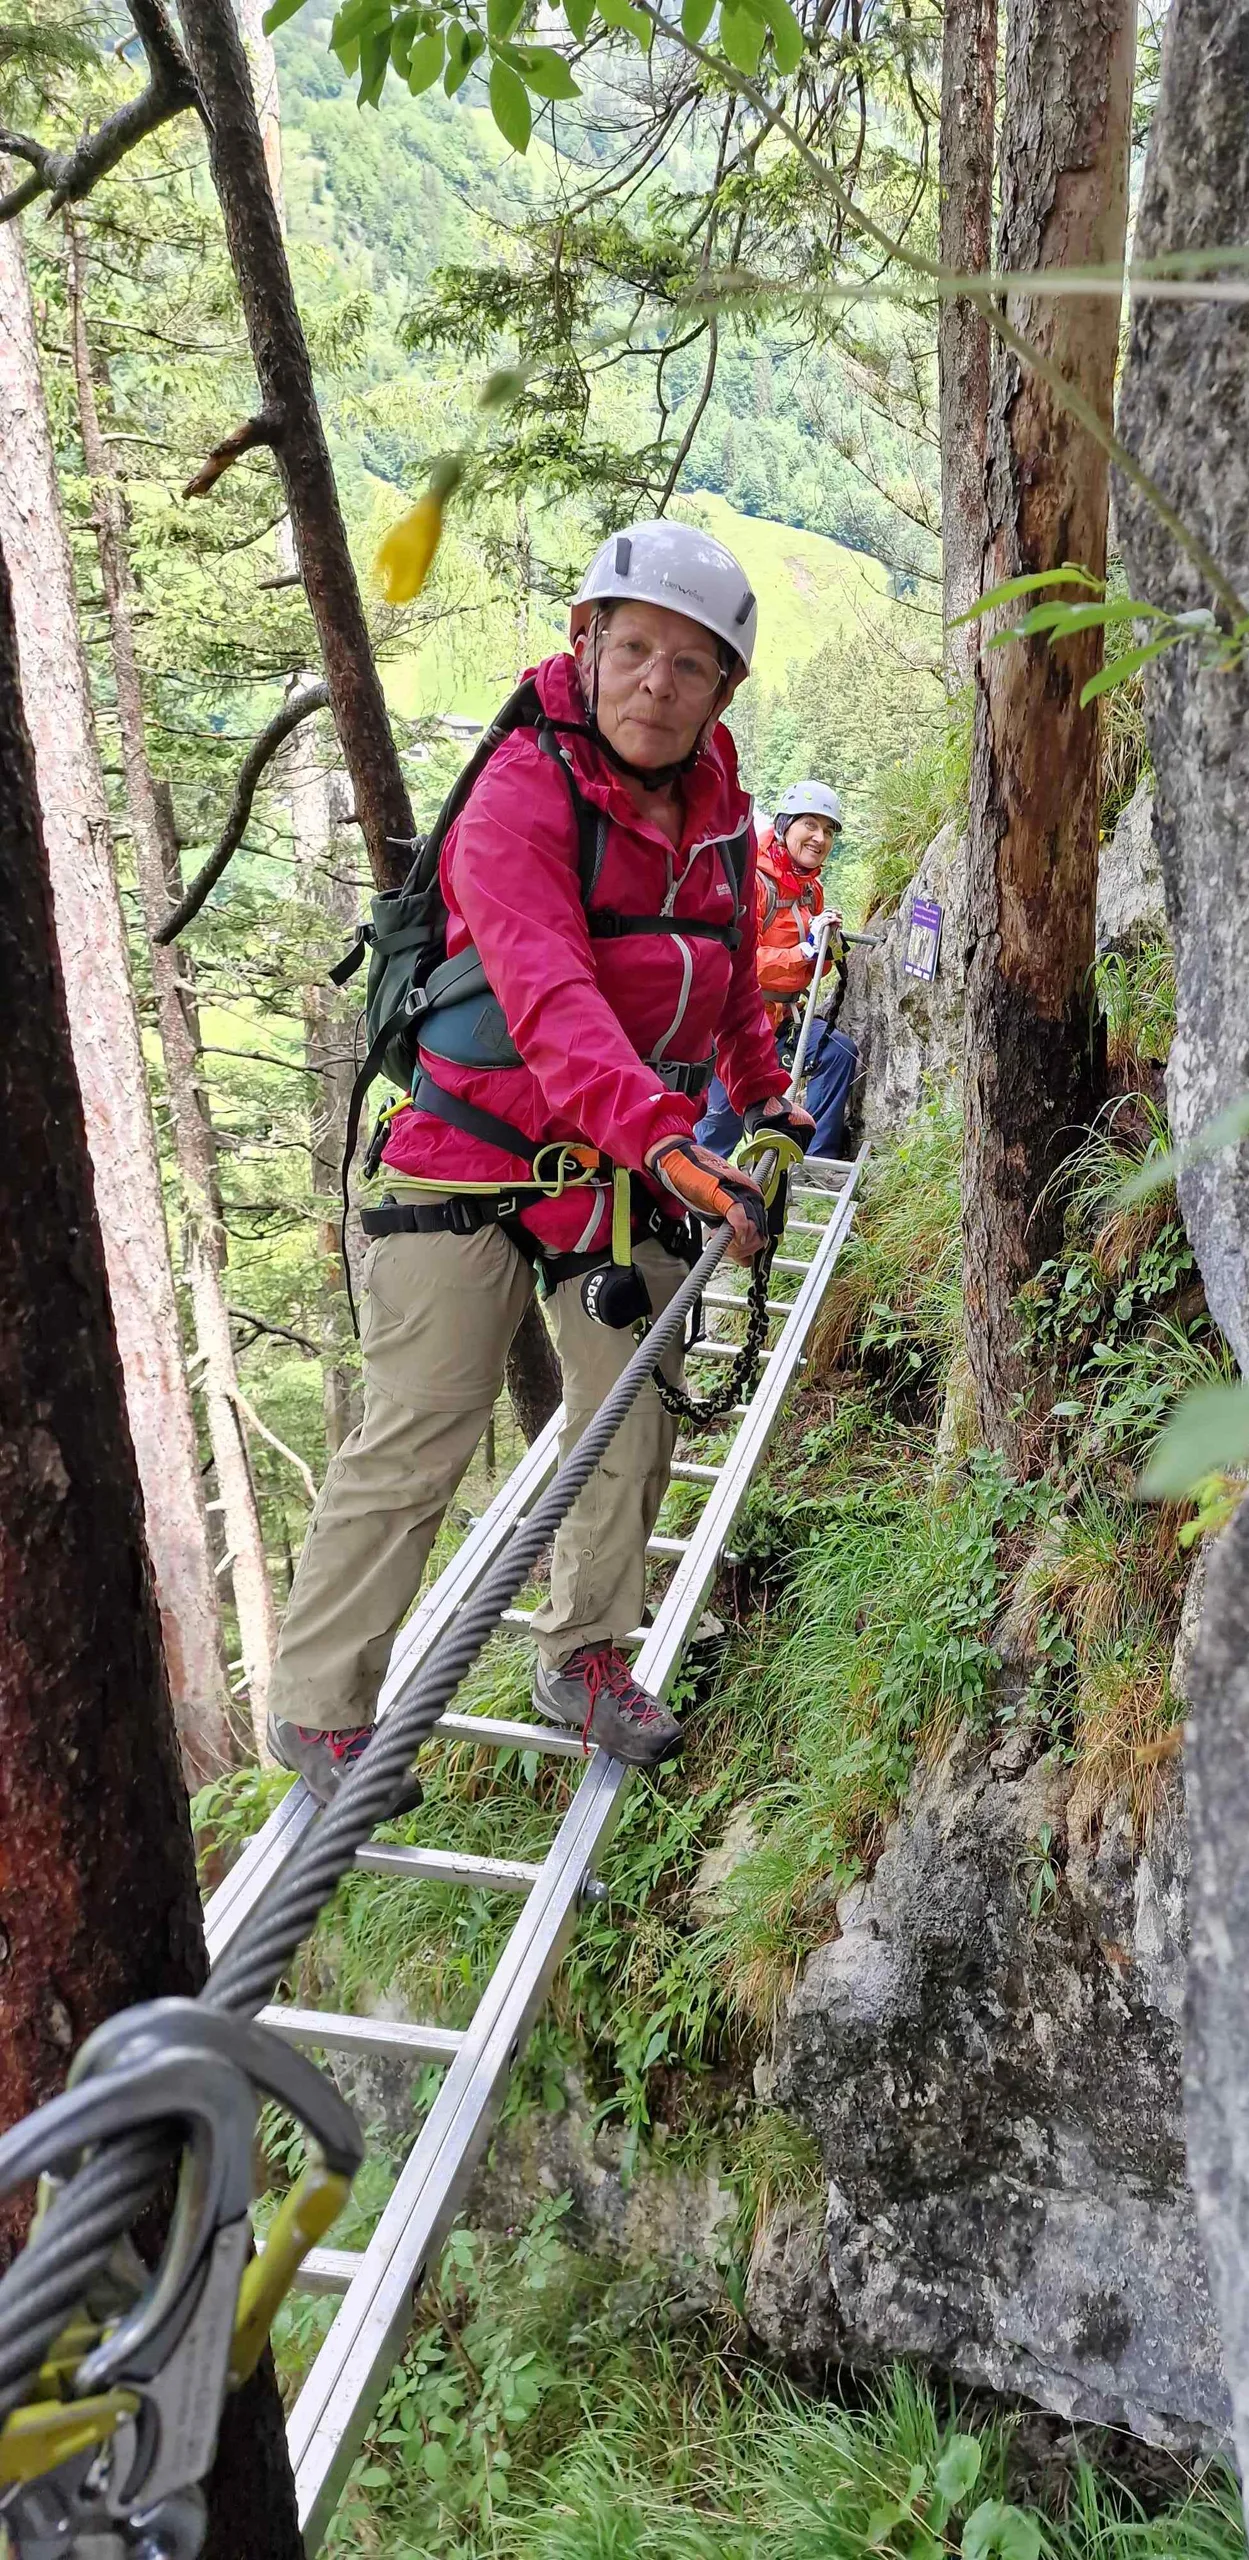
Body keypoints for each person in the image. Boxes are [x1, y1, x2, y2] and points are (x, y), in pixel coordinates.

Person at [266, 521, 815, 1804]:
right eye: (633, 649)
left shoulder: (724, 812)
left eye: (689, 665)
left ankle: (583, 1653)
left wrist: (767, 1103)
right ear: (588, 643)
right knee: (422, 1424)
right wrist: (677, 1143)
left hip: (620, 1169)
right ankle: (320, 1707)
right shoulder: (523, 789)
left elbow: (726, 982)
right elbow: (552, 994)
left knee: (627, 1406)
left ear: (722, 689)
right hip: (472, 1156)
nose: (655, 683)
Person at [694, 779, 861, 1159]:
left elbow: (813, 972)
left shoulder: (809, 889)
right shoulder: (753, 880)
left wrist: (827, 944)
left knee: (837, 1053)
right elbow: (739, 963)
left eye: (829, 830)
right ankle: (697, 1199)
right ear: (786, 826)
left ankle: (814, 1161)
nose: (820, 838)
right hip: (736, 1023)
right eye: (811, 825)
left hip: (783, 1019)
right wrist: (805, 950)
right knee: (724, 1119)